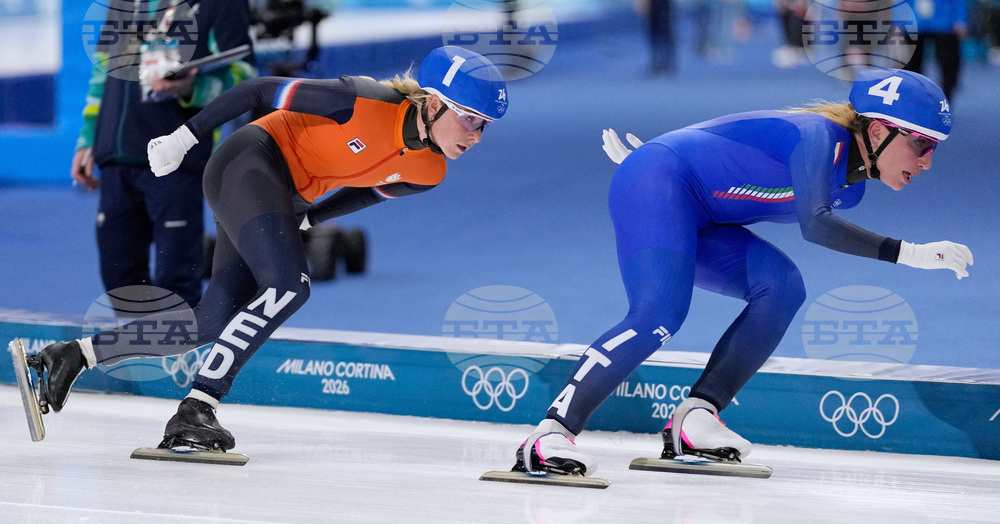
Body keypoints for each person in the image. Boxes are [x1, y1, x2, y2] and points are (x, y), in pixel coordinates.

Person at [27, 45, 508, 452]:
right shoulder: (361, 99)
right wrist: (184, 138)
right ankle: (199, 406)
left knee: (209, 322)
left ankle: (71, 355)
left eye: (485, 125)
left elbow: (370, 190)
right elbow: (257, 91)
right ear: (431, 103)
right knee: (289, 285)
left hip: (282, 196)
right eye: (469, 118)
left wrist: (311, 216)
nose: (476, 136)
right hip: (249, 161)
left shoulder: (429, 172)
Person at [512, 68, 972, 478]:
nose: (927, 161)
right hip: (658, 184)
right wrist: (908, 253)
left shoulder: (848, 190)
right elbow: (814, 225)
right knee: (659, 314)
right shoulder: (819, 138)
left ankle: (696, 418)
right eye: (921, 143)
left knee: (783, 286)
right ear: (876, 132)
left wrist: (683, 161)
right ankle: (549, 434)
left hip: (694, 206)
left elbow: (738, 160)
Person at [72, 0, 255, 310]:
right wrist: (88, 138)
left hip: (176, 159)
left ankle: (176, 358)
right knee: (119, 279)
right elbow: (102, 70)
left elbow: (244, 79)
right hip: (115, 158)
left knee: (176, 285)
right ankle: (136, 354)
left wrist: (190, 87)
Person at [903, 0, 968, 101]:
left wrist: (960, 19)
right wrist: (899, 21)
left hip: (944, 21)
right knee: (911, 66)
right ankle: (914, 99)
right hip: (914, 21)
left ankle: (945, 99)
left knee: (949, 65)